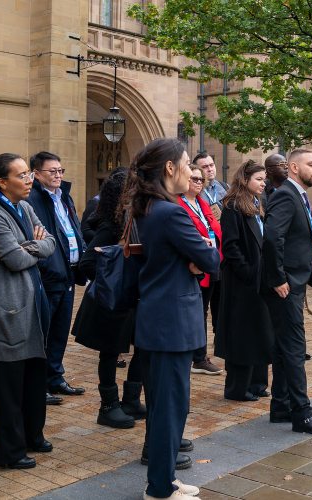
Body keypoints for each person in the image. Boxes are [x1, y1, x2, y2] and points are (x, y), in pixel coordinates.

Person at [126, 138, 219, 500]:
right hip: (169, 324)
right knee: (169, 407)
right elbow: (211, 259)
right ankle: (160, 489)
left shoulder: (153, 208)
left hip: (161, 320)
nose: (191, 172)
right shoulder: (171, 212)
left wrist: (197, 256)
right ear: (169, 168)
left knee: (169, 405)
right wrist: (201, 254)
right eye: (185, 164)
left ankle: (164, 478)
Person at [0, 153, 57, 470]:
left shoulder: (25, 206)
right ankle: (8, 452)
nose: (29, 179)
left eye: (29, 174)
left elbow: (50, 241)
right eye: (21, 175)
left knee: (34, 376)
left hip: (33, 304)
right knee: (7, 387)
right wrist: (30, 247)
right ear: (1, 183)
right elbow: (16, 260)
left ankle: (33, 435)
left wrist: (29, 246)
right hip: (7, 309)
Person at [262, 148, 312, 435]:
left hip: (294, 282)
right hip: (285, 286)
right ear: (294, 168)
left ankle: (281, 405)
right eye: (311, 164)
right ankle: (303, 414)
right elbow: (271, 237)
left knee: (285, 347)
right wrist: (278, 278)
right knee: (295, 348)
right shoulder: (286, 194)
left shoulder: (299, 195)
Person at [72, 168, 143, 429]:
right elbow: (88, 263)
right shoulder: (112, 224)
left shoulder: (135, 219)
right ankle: (109, 406)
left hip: (132, 299)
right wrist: (113, 279)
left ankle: (131, 400)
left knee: (142, 349)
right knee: (111, 353)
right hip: (114, 301)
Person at [27, 151, 87, 404]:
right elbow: (37, 236)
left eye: (61, 171)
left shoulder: (64, 196)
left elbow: (72, 228)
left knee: (60, 330)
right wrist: (49, 265)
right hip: (50, 274)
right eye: (52, 171)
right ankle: (38, 385)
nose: (58, 176)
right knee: (44, 331)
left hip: (69, 272)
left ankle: (55, 377)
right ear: (36, 173)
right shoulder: (32, 199)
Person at [215, 160, 273, 401]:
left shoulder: (259, 203)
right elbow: (231, 245)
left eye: (264, 180)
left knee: (260, 330)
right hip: (242, 282)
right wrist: (248, 272)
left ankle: (258, 383)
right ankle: (238, 388)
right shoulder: (232, 206)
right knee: (242, 334)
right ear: (245, 179)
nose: (263, 183)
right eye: (259, 179)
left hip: (259, 279)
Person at [177, 164, 225, 376]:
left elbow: (215, 228)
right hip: (193, 266)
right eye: (194, 178)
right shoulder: (178, 204)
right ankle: (198, 356)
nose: (198, 182)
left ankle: (198, 355)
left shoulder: (202, 203)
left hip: (211, 262)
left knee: (203, 310)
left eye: (200, 180)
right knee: (197, 312)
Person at [192, 152, 227, 374]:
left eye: (211, 165)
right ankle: (199, 356)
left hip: (218, 258)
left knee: (219, 308)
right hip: (201, 263)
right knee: (201, 310)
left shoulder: (223, 190)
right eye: (203, 167)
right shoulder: (192, 200)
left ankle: (217, 349)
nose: (209, 170)